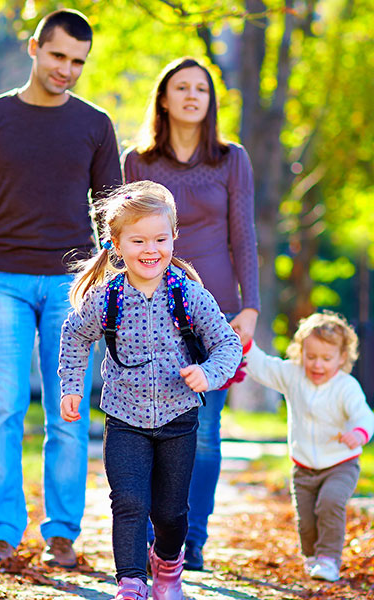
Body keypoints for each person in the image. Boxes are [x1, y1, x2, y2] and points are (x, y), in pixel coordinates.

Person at [0, 8, 121, 569]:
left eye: (78, 62)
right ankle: (0, 533)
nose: (67, 69)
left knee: (68, 414)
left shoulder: (95, 125)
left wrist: (106, 289)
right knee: (1, 409)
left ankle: (62, 533)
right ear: (34, 48)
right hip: (3, 284)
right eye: (58, 56)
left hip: (73, 290)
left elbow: (111, 216)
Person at [57, 181, 243, 600]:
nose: (150, 249)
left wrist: (209, 374)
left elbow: (227, 344)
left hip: (179, 419)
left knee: (171, 513)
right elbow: (74, 336)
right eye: (138, 240)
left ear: (174, 237)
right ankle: (131, 582)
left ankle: (168, 568)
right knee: (127, 501)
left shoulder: (187, 294)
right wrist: (72, 386)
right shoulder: (107, 297)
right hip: (124, 418)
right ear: (117, 245)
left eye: (160, 238)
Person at [122, 56, 260, 571]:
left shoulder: (231, 158)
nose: (191, 95)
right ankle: (159, 536)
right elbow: (121, 233)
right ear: (163, 97)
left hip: (218, 309)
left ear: (210, 100)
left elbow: (243, 233)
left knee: (205, 429)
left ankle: (190, 538)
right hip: (149, 307)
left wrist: (250, 307)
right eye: (181, 87)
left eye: (201, 88)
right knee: (151, 423)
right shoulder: (137, 161)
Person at [242, 311, 374, 583]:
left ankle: (328, 559)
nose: (317, 365)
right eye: (311, 356)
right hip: (303, 467)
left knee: (330, 502)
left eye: (327, 359)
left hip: (340, 464)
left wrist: (358, 433)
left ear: (342, 358)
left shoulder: (346, 387)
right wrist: (245, 344)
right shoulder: (293, 375)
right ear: (300, 352)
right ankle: (312, 556)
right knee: (306, 520)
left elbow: (363, 415)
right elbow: (263, 367)